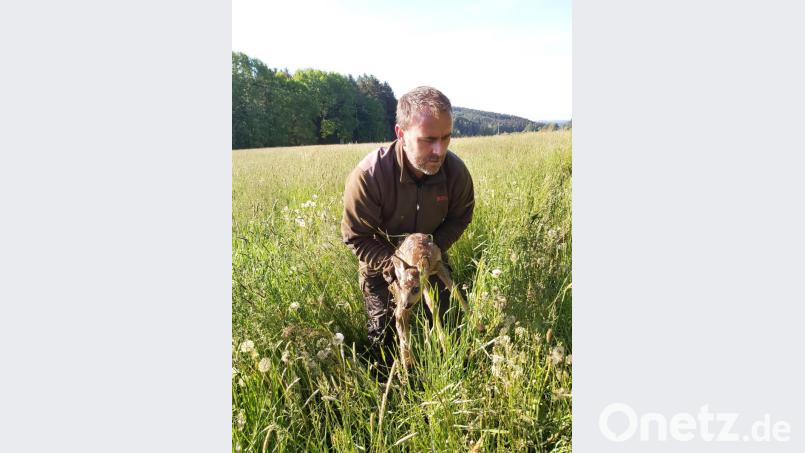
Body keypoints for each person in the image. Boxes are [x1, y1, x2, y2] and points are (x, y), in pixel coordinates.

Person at [340, 86, 475, 366]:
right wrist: (395, 266)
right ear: (401, 134)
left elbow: (460, 217)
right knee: (384, 339)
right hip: (382, 265)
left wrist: (434, 249)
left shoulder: (456, 173)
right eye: (428, 140)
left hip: (429, 261)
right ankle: (391, 384)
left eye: (446, 138)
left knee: (451, 328)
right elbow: (355, 236)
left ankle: (446, 374)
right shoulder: (370, 176)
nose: (439, 150)